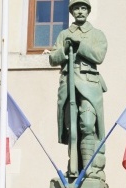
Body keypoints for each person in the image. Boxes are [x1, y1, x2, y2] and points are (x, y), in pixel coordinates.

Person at [49, 0, 108, 181]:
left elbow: (99, 56)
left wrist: (80, 45)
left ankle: (91, 168)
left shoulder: (97, 34)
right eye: (76, 8)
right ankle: (73, 166)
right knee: (72, 127)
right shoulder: (64, 34)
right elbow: (53, 58)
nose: (80, 11)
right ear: (72, 11)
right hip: (69, 84)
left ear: (88, 11)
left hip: (89, 84)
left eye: (83, 8)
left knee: (88, 124)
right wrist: (66, 48)